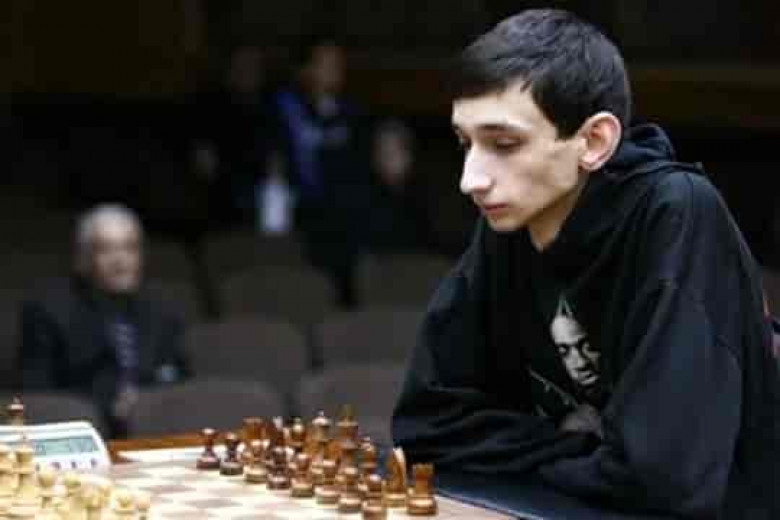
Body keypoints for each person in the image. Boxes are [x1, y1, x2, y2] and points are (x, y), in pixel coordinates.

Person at [391, 9, 780, 518]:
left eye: (504, 144)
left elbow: (665, 479)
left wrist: (530, 448)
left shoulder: (677, 210)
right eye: (465, 143)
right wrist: (590, 451)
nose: (471, 180)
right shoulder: (512, 217)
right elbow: (426, 425)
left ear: (594, 142)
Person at [18, 204, 190, 438]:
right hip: (82, 433)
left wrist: (145, 402)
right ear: (83, 259)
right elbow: (39, 395)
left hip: (156, 431)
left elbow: (180, 377)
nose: (121, 261)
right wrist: (110, 403)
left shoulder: (162, 308)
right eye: (106, 249)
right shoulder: (48, 311)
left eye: (130, 248)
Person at [270, 35, 371, 308]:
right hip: (300, 218)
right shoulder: (283, 111)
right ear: (305, 69)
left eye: (338, 63)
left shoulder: (354, 112)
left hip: (345, 224)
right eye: (326, 63)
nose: (335, 70)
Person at [367, 118, 431, 253]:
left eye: (392, 153)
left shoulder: (425, 198)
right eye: (381, 153)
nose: (385, 161)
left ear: (409, 156)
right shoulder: (365, 200)